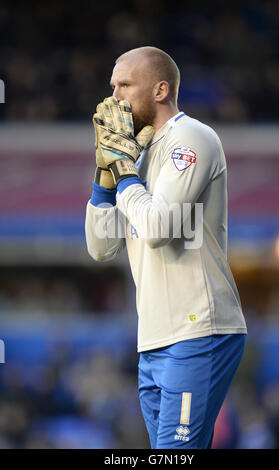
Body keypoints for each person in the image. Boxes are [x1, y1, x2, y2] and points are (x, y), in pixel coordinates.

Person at [85, 46, 247, 449]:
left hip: (199, 329)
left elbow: (159, 226)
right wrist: (106, 173)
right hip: (154, 337)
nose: (114, 98)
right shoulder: (140, 155)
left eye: (125, 85)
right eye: (112, 86)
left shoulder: (191, 137)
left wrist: (123, 168)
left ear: (160, 90)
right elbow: (101, 248)